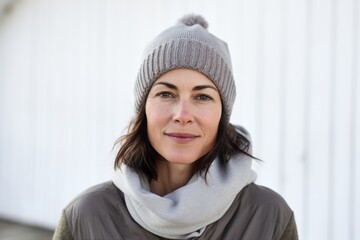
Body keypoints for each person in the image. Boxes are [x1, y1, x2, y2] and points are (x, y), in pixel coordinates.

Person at [53, 14, 298, 240]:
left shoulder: (270, 218)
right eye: (166, 94)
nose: (183, 115)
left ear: (222, 113)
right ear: (143, 108)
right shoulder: (84, 219)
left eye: (202, 97)